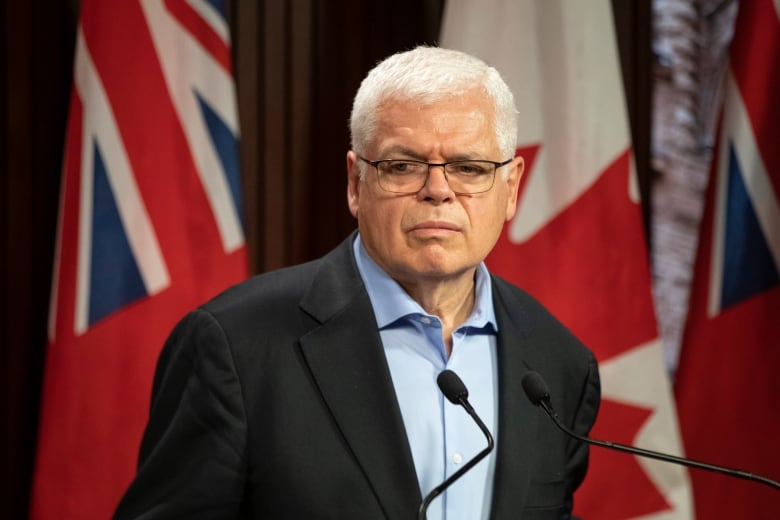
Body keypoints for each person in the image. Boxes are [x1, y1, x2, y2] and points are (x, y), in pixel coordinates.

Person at [114, 46, 600, 520]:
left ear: (510, 188)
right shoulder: (233, 347)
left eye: (468, 168)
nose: (437, 191)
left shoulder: (560, 365)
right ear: (355, 183)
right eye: (403, 166)